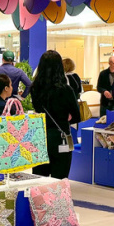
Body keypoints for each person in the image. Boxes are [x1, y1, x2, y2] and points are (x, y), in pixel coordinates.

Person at [29, 51, 81, 180]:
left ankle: (39, 201)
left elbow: (38, 109)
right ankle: (57, 200)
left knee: (39, 178)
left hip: (39, 137)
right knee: (59, 179)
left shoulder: (35, 88)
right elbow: (77, 116)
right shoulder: (66, 90)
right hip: (60, 136)